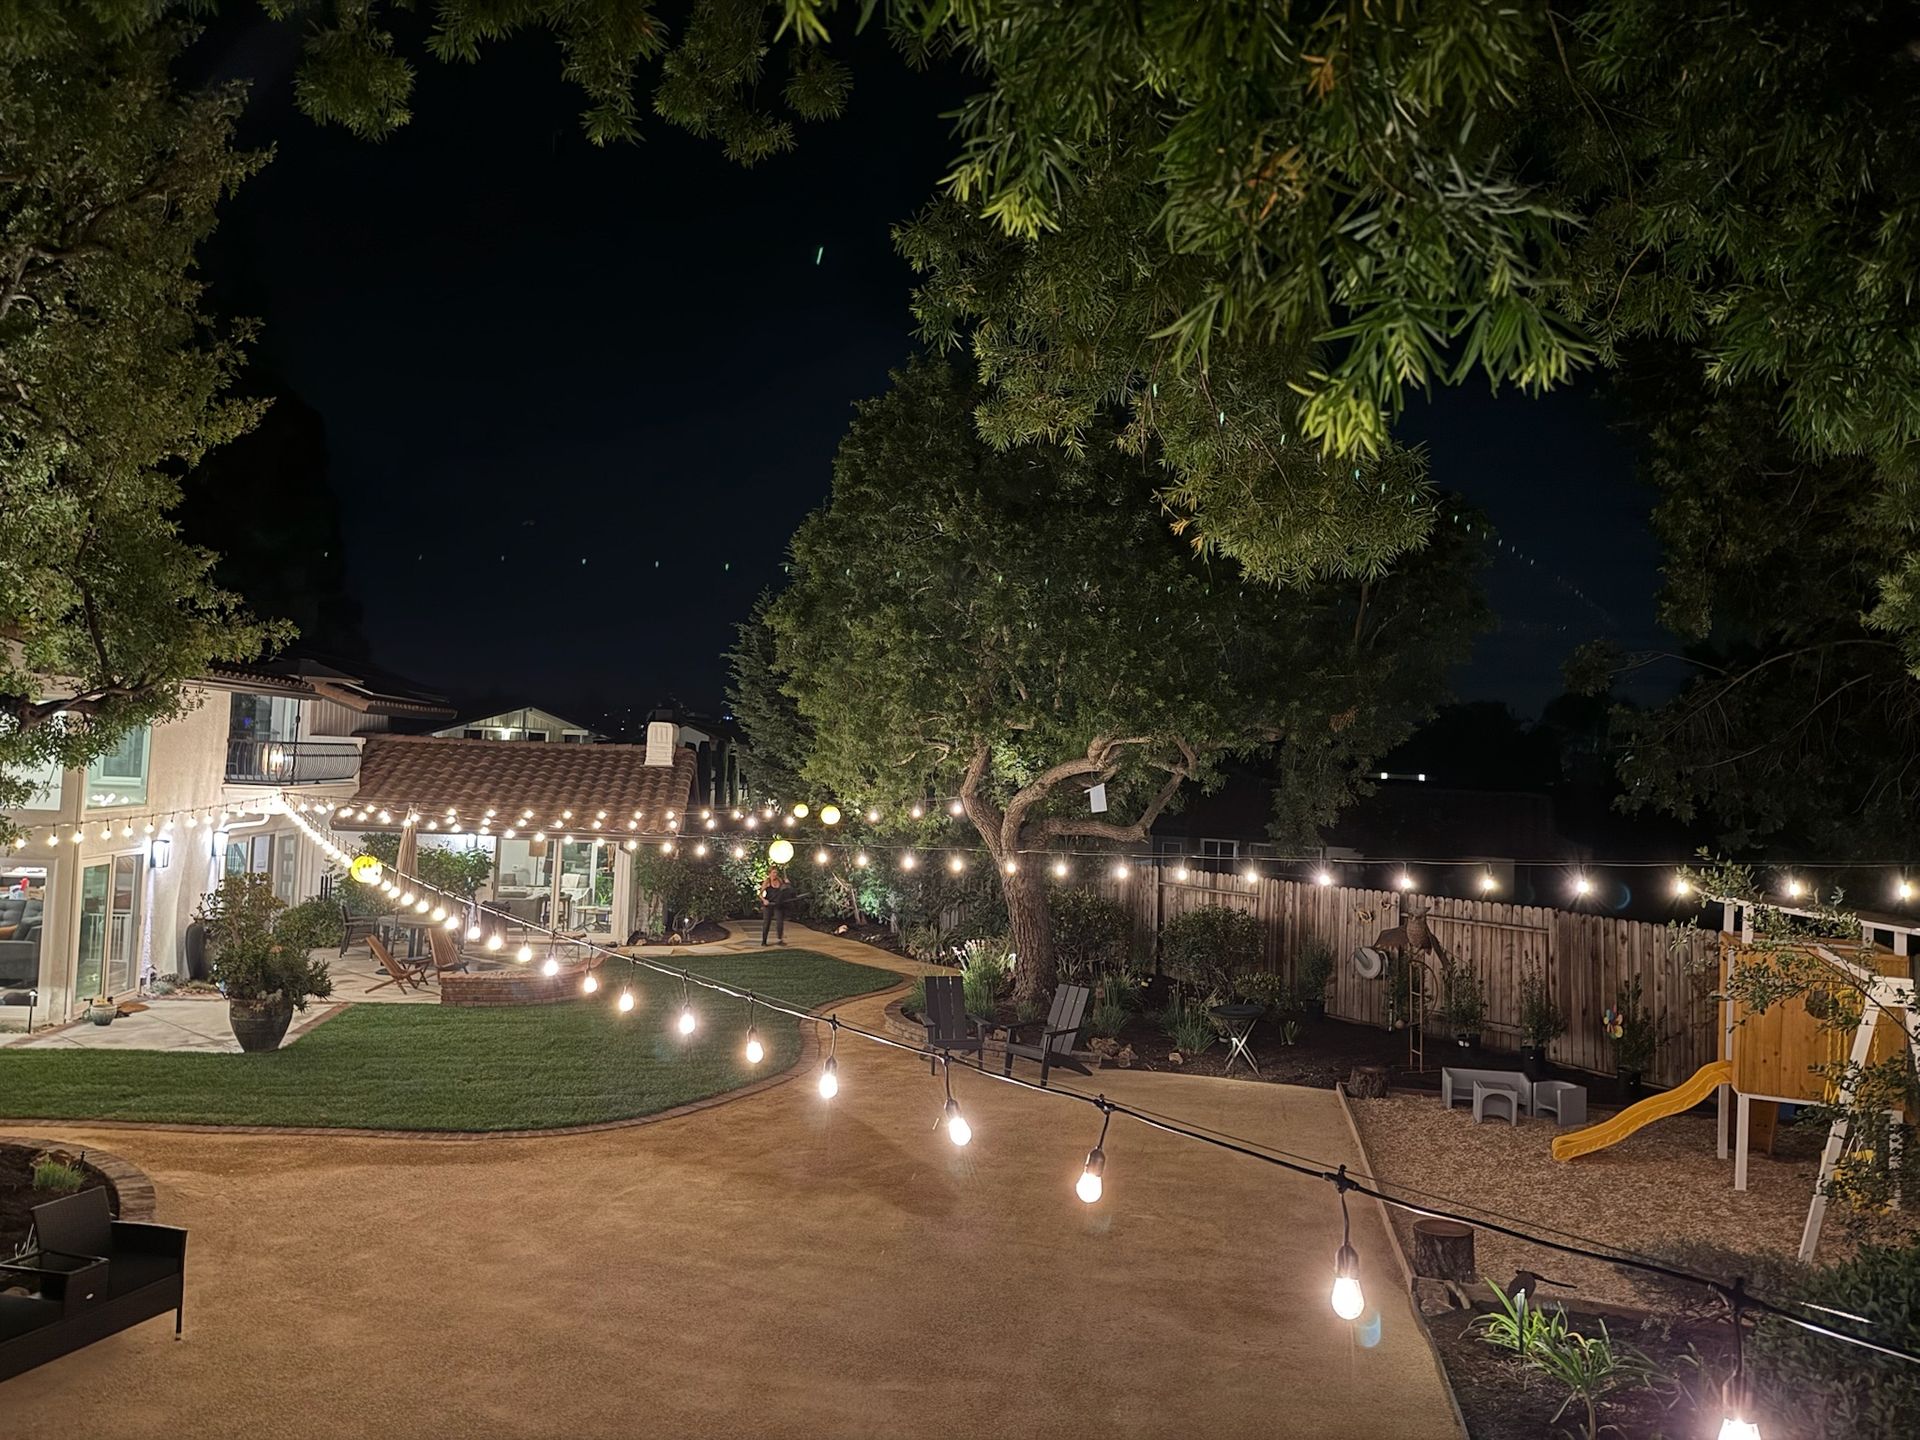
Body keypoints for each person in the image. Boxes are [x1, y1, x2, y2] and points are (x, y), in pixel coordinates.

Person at [760, 865, 790, 946]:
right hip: (768, 905)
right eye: (773, 873)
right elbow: (760, 894)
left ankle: (780, 940)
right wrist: (764, 900)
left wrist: (787, 883)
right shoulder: (767, 882)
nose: (775, 874)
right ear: (769, 873)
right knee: (767, 922)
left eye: (776, 873)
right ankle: (764, 941)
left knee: (780, 922)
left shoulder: (779, 881)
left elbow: (786, 890)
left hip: (777, 904)